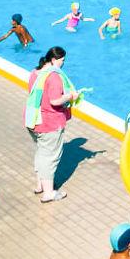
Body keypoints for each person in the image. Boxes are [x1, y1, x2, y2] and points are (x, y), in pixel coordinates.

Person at [27, 45, 82, 200]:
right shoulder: (54, 77)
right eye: (62, 60)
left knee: (41, 153)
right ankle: (48, 193)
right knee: (50, 157)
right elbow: (55, 100)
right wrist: (71, 96)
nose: (63, 63)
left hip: (33, 120)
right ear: (54, 59)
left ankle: (40, 185)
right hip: (49, 124)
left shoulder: (35, 73)